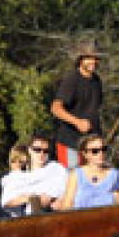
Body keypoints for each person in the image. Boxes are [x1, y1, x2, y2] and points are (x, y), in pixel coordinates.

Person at [51, 39, 104, 169]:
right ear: (80, 60)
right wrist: (77, 122)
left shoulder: (97, 81)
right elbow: (55, 108)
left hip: (90, 144)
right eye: (89, 58)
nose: (93, 61)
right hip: (70, 142)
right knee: (73, 180)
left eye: (96, 58)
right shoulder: (72, 80)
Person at [0, 134, 68, 216]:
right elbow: (7, 201)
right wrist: (30, 198)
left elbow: (67, 193)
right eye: (37, 150)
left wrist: (59, 202)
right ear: (29, 150)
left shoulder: (57, 169)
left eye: (46, 151)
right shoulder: (17, 176)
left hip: (54, 213)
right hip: (26, 216)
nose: (42, 154)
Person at [61, 134, 118, 209]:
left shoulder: (115, 175)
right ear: (85, 154)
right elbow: (66, 205)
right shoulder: (76, 175)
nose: (100, 153)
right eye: (95, 151)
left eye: (103, 149)